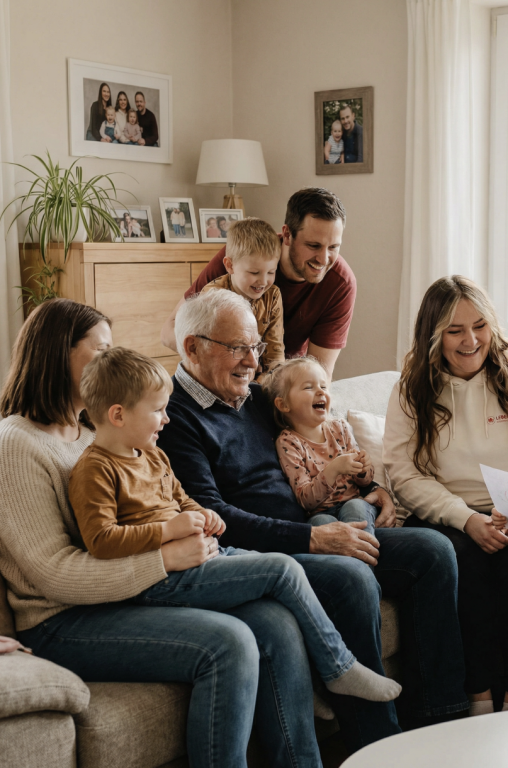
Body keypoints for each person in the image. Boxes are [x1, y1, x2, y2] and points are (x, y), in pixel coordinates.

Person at [0, 298, 336, 767]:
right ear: (57, 354)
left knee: (273, 620)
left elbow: (166, 496)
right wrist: (165, 558)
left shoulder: (89, 434)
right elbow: (53, 574)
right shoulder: (17, 443)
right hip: (61, 621)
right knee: (229, 641)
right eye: (98, 352)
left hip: (123, 598)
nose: (111, 362)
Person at [157, 289, 468, 753]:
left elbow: (323, 441)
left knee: (433, 550)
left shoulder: (255, 397)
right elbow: (213, 515)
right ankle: (377, 746)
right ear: (193, 348)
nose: (250, 361)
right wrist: (313, 537)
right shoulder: (175, 419)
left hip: (317, 523)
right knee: (350, 579)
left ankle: (438, 721)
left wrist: (370, 488)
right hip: (264, 549)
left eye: (255, 347)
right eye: (237, 348)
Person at [68, 346, 400, 705]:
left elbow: (182, 498)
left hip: (208, 553)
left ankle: (318, 677)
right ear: (118, 415)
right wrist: (168, 531)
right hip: (163, 578)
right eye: (158, 411)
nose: (166, 420)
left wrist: (203, 514)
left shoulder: (152, 453)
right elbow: (101, 540)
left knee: (280, 598)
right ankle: (338, 668)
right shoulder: (94, 470)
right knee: (283, 570)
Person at [382, 275, 508, 716]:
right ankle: (476, 700)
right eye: (454, 330)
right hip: (448, 514)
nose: (471, 340)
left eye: (479, 326)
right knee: (458, 562)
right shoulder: (411, 387)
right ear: (432, 335)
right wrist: (464, 518)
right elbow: (404, 472)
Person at [161, 188, 357, 378]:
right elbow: (170, 331)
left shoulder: (340, 284)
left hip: (278, 378)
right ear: (287, 235)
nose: (324, 259)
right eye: (313, 245)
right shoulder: (243, 258)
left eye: (333, 247)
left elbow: (319, 374)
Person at [265, 357, 377, 537]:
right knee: (318, 523)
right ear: (283, 404)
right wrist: (333, 470)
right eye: (309, 387)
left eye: (324, 387)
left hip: (354, 504)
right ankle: (349, 563)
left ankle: (362, 556)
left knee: (356, 506)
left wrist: (364, 469)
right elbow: (305, 500)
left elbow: (365, 481)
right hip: (320, 513)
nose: (320, 392)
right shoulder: (289, 442)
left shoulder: (340, 428)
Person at [200, 217, 285, 379]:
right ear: (230, 265)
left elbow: (275, 351)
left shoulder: (272, 296)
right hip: (218, 374)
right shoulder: (213, 295)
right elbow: (208, 354)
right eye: (254, 273)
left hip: (255, 373)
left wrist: (271, 378)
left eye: (271, 272)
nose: (263, 281)